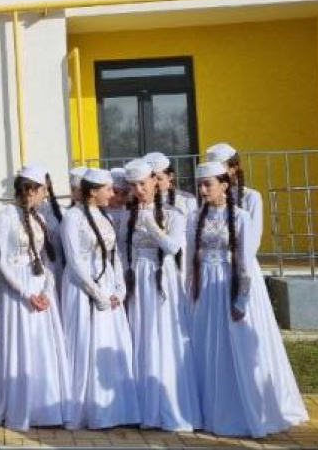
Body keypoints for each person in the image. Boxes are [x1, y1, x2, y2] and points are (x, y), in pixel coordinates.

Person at [187, 161, 308, 437]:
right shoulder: (194, 217)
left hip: (226, 285)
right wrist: (189, 292)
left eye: (208, 184)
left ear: (224, 185)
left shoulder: (240, 216)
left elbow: (244, 261)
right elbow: (190, 260)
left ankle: (235, 410)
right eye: (200, 185)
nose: (203, 190)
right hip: (204, 289)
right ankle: (205, 410)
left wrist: (241, 299)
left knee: (232, 345)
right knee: (204, 343)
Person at [0, 164, 68, 431]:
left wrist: (46, 290)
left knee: (41, 345)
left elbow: (46, 258)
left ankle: (44, 407)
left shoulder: (40, 217)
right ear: (31, 190)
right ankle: (19, 406)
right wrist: (26, 292)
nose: (46, 194)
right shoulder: (5, 216)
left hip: (39, 283)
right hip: (17, 289)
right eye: (43, 189)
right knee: (20, 344)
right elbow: (1, 260)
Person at [119, 159, 200, 431]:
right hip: (138, 280)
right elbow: (123, 250)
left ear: (155, 180)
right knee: (141, 334)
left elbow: (173, 247)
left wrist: (152, 225)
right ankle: (143, 406)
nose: (138, 190)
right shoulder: (128, 215)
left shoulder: (173, 213)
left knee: (163, 335)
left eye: (142, 184)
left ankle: (170, 405)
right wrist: (125, 277)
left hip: (162, 278)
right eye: (133, 186)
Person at [60, 167, 139, 429]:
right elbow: (74, 260)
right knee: (86, 342)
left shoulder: (104, 216)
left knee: (110, 342)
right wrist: (97, 293)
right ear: (93, 191)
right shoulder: (73, 217)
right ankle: (86, 409)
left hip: (107, 286)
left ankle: (116, 410)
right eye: (107, 189)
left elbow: (113, 255)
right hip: (83, 288)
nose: (112, 194)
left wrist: (119, 288)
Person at [204, 142, 263, 235]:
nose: (214, 174)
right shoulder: (209, 196)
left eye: (218, 169)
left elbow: (254, 235)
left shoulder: (251, 196)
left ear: (234, 168)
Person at [143, 152, 197, 217]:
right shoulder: (141, 201)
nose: (154, 183)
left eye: (159, 179)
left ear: (170, 176)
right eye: (151, 179)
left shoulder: (187, 199)